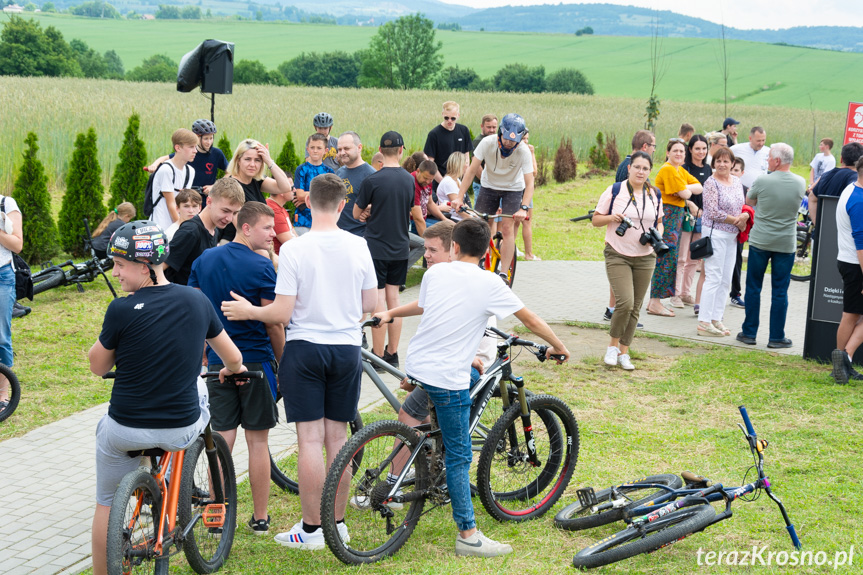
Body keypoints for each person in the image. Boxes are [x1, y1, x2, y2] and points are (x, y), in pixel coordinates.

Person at [373, 217, 570, 557]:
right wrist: (559, 345)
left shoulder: (435, 273)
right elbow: (530, 320)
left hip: (419, 365)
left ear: (455, 247)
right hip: (446, 376)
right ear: (485, 251)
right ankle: (468, 534)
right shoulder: (490, 283)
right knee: (461, 456)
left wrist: (390, 313)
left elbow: (421, 306)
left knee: (471, 375)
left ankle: (429, 446)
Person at [221, 173, 377, 550]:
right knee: (338, 436)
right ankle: (337, 525)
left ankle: (311, 530)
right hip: (345, 348)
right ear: (342, 206)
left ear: (307, 204)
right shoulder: (359, 246)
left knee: (309, 439)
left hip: (305, 348)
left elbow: (282, 313)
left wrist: (247, 311)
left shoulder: (294, 249)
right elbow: (370, 307)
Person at [88, 220, 246, 575]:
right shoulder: (196, 300)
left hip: (124, 430)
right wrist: (232, 369)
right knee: (200, 392)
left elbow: (98, 367)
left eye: (120, 264)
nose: (115, 272)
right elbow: (233, 358)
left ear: (144, 266)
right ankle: (180, 491)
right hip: (180, 429)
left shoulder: (121, 309)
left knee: (106, 504)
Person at [189, 202, 284, 536]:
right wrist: (283, 363)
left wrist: (202, 353)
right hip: (256, 362)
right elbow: (274, 323)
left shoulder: (203, 261)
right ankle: (260, 518)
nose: (273, 234)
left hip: (217, 362)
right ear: (245, 228)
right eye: (267, 228)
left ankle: (216, 510)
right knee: (258, 442)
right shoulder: (262, 267)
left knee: (222, 438)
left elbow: (197, 311)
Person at [593, 151, 661, 370]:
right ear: (629, 168)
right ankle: (612, 347)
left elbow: (659, 221)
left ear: (650, 171)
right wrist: (612, 218)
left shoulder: (654, 193)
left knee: (636, 307)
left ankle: (624, 352)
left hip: (645, 256)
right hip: (618, 253)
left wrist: (657, 233)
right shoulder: (615, 191)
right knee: (625, 302)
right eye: (637, 167)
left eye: (645, 168)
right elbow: (596, 219)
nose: (641, 172)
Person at [353, 131, 415, 370]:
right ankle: (393, 353)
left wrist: (368, 209)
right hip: (400, 247)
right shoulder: (409, 180)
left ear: (380, 149)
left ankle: (377, 356)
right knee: (394, 300)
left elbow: (356, 215)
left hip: (376, 247)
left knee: (378, 300)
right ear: (401, 150)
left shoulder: (372, 181)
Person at [736, 143, 806, 348]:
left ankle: (749, 332)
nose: (767, 161)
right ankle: (776, 337)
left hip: (761, 241)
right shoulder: (800, 182)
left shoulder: (763, 180)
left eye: (769, 158)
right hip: (785, 243)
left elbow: (750, 200)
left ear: (777, 161)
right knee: (780, 291)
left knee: (754, 287)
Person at [452, 113, 534, 286]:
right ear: (500, 133)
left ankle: (504, 273)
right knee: (482, 226)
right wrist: (459, 197)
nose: (509, 143)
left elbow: (529, 181)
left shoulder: (523, 151)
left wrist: (524, 208)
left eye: (513, 141)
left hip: (513, 188)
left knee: (507, 228)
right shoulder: (487, 143)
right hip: (489, 186)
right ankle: (480, 263)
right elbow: (471, 170)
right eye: (506, 139)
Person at [646, 139, 702, 316]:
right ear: (668, 153)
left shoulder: (679, 170)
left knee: (671, 258)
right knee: (666, 256)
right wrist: (684, 189)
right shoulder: (669, 169)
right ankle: (654, 302)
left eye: (682, 151)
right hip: (668, 215)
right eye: (675, 150)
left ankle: (656, 301)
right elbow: (687, 194)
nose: (679, 154)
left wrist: (683, 187)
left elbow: (699, 187)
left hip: (676, 216)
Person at [697, 148, 748, 337]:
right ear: (713, 164)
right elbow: (712, 211)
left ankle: (716, 318)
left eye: (726, 161)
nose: (722, 164)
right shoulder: (711, 183)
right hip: (715, 233)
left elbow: (741, 204)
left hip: (732, 235)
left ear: (732, 163)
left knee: (726, 279)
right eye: (718, 161)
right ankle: (703, 321)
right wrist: (735, 219)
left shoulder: (736, 181)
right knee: (713, 276)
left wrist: (744, 215)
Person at [607, 129, 656, 321]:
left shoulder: (627, 164)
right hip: (625, 232)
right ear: (645, 146)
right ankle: (614, 310)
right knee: (621, 277)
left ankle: (613, 309)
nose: (653, 150)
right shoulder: (629, 167)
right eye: (653, 146)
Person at [164, 177, 244, 285]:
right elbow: (160, 268)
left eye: (235, 213)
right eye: (225, 211)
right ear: (209, 201)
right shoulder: (191, 231)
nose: (229, 218)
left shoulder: (215, 229)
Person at [831, 157, 863, 384]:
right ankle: (843, 359)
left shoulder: (851, 189)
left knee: (851, 314)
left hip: (849, 261)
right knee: (851, 315)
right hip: (856, 264)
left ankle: (843, 360)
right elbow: (861, 242)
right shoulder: (859, 201)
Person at [224, 139, 293, 241]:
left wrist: (269, 161)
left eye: (257, 160)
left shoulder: (257, 181)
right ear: (238, 161)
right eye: (247, 159)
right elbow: (240, 227)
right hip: (236, 242)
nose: (252, 164)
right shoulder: (231, 185)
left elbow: (285, 187)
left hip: (257, 242)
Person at [673, 135, 711, 311]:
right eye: (697, 148)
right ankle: (675, 294)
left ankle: (686, 292)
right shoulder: (684, 168)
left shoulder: (709, 169)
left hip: (702, 217)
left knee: (694, 258)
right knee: (681, 257)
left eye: (704, 148)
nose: (701, 152)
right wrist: (691, 204)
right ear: (690, 150)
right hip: (686, 215)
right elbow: (678, 191)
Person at [147, 119, 229, 199]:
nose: (209, 142)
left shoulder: (217, 154)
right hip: (189, 198)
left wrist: (214, 186)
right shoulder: (189, 153)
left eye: (211, 138)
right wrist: (154, 165)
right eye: (206, 139)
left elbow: (229, 172)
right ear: (196, 137)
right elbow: (165, 158)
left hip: (207, 199)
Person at [0, 194, 22, 412]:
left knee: (1, 336)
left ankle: (3, 395)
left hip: (2, 276)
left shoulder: (6, 203)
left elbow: (17, 245)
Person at [150, 129, 197, 232]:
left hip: (177, 226)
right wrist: (182, 228)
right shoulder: (166, 170)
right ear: (178, 148)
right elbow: (171, 204)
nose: (195, 151)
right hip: (160, 228)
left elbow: (184, 202)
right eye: (191, 147)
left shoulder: (190, 171)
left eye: (195, 147)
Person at [809, 142, 863, 225]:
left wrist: (817, 224)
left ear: (841, 159)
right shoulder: (857, 180)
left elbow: (812, 197)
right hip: (846, 233)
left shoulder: (826, 175)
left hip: (822, 233)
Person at [424, 101, 473, 190]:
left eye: (453, 118)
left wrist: (464, 180)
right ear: (442, 114)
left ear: (458, 115)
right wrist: (443, 183)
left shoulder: (464, 130)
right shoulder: (434, 134)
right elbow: (430, 163)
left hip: (459, 181)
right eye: (446, 118)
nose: (449, 121)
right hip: (440, 180)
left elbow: (466, 158)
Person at [294, 133, 336, 235]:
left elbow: (331, 197)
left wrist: (307, 196)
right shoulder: (301, 169)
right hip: (302, 220)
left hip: (323, 221)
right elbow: (299, 195)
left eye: (319, 148)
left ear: (325, 151)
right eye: (312, 147)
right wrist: (322, 194)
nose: (315, 151)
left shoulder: (329, 172)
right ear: (308, 149)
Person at [336, 131, 376, 237]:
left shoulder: (371, 175)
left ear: (359, 148)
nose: (342, 152)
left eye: (347, 148)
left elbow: (382, 204)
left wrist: (371, 207)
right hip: (339, 234)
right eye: (339, 149)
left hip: (360, 235)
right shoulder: (339, 172)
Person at [513, 129, 541, 261]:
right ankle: (527, 254)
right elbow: (534, 172)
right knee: (522, 222)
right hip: (521, 191)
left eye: (527, 139)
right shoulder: (523, 152)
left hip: (522, 190)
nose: (526, 142)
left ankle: (514, 250)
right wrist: (531, 153)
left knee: (519, 223)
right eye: (523, 139)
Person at [728, 157, 749, 308]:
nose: (733, 173)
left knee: (736, 262)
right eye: (731, 169)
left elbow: (748, 209)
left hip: (737, 232)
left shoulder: (745, 189)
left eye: (736, 170)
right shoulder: (719, 186)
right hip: (721, 231)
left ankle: (735, 294)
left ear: (742, 172)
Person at [471, 114, 498, 200]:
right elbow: (476, 167)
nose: (492, 130)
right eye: (488, 127)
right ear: (482, 126)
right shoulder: (478, 141)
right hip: (481, 185)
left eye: (494, 127)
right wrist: (486, 183)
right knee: (480, 212)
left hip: (495, 185)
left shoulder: (496, 139)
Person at [266, 180, 296, 256]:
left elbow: (293, 233)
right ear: (282, 191)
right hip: (278, 260)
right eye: (292, 188)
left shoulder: (280, 208)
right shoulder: (273, 210)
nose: (295, 190)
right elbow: (290, 243)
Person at [437, 151, 469, 221]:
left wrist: (475, 215)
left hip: (458, 217)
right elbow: (457, 207)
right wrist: (473, 219)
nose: (467, 165)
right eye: (466, 163)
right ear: (460, 165)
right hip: (452, 219)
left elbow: (463, 204)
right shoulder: (449, 182)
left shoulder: (457, 180)